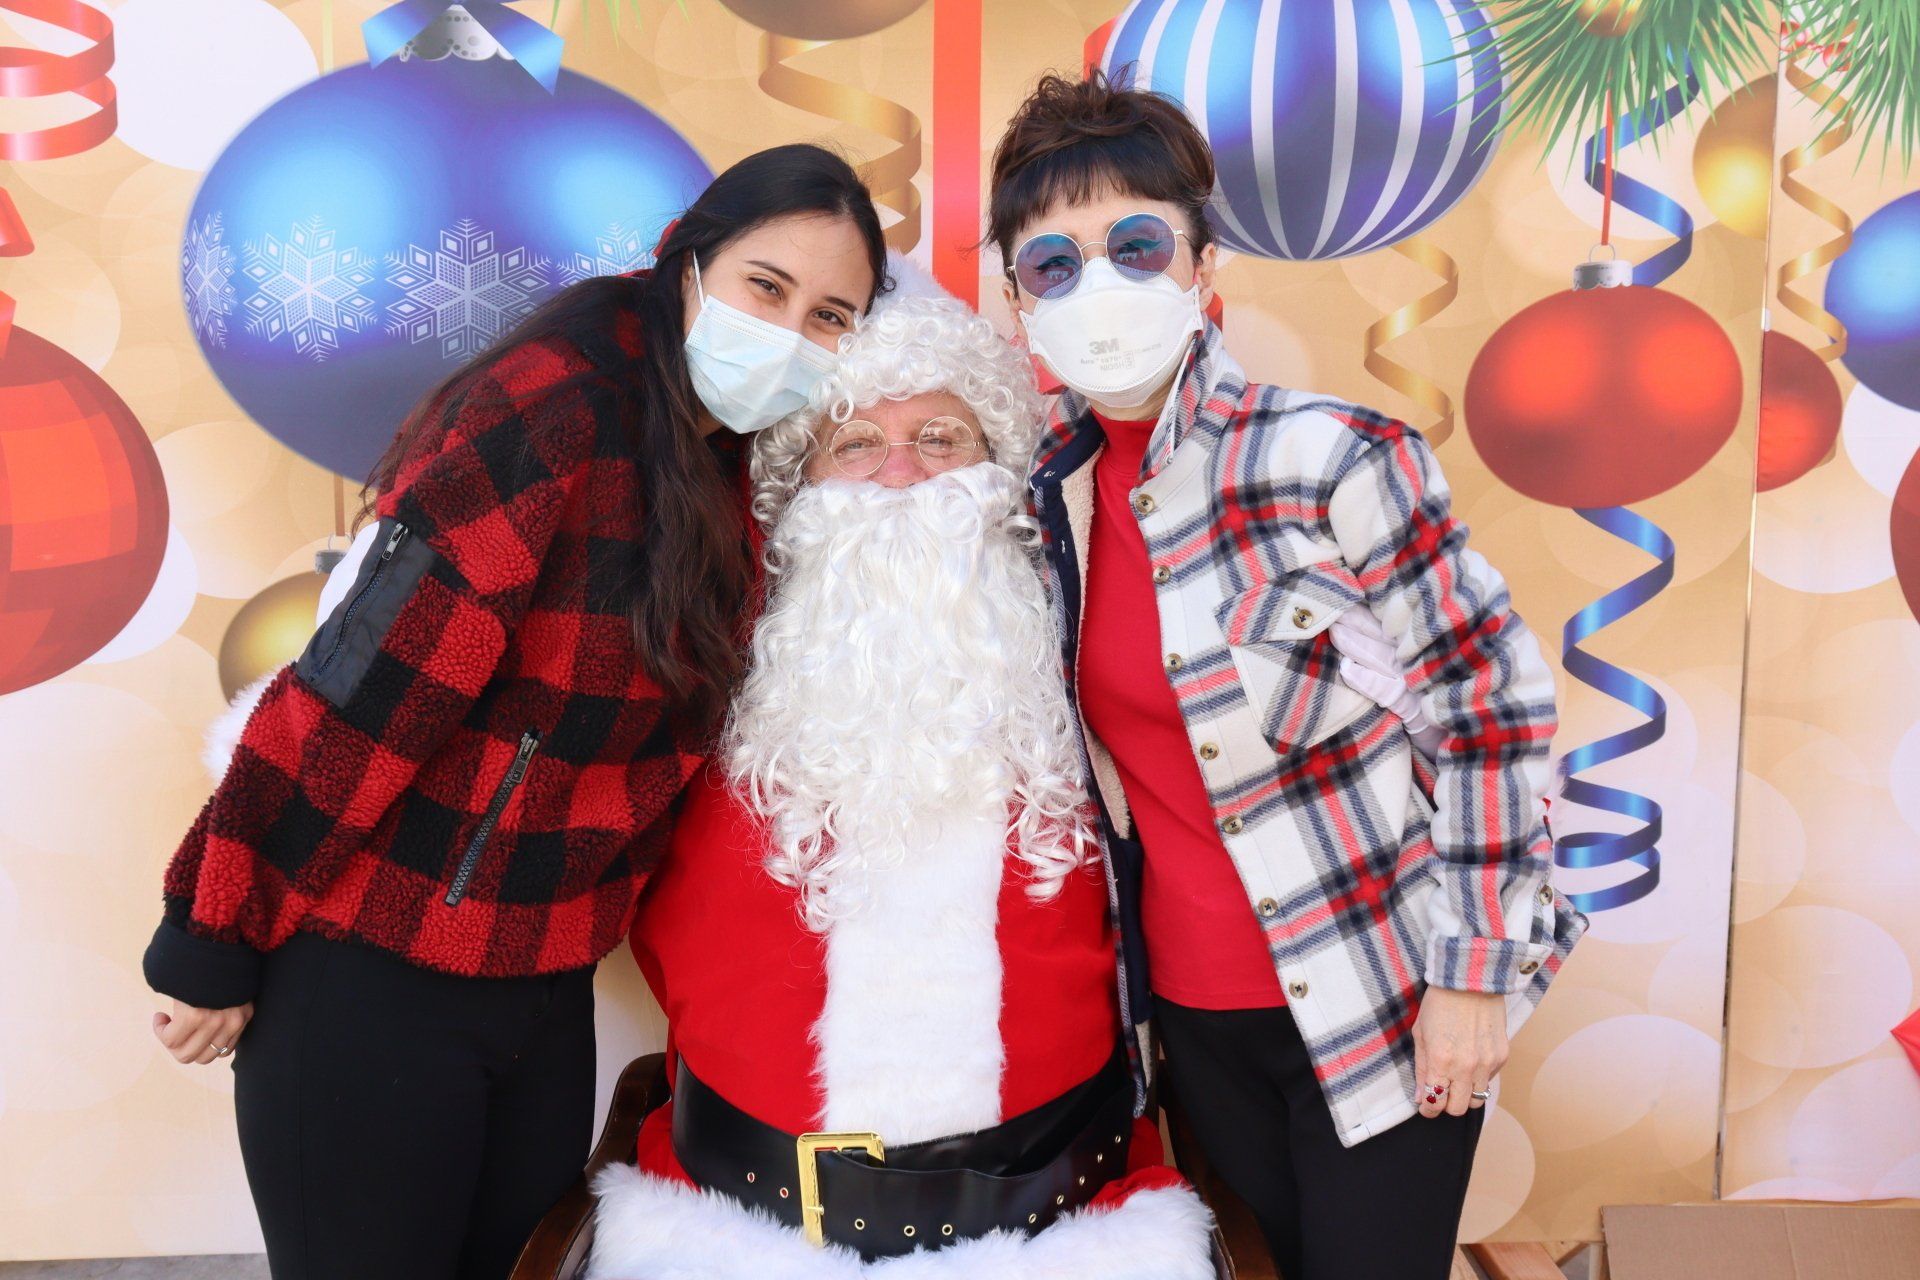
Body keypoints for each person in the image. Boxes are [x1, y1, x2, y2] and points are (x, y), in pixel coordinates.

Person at [141, 143, 889, 1280]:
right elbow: (365, 688)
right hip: (374, 966)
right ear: (687, 264)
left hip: (537, 981)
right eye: (767, 286)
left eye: (832, 315)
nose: (791, 333)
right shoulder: (552, 408)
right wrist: (213, 931)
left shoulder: (719, 457)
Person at [986, 73, 1588, 1280]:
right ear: (1017, 298)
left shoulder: (1332, 458)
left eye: (1135, 246)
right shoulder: (1041, 502)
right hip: (1191, 1029)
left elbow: (1493, 712)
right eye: (1054, 263)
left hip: (1381, 992)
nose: (1096, 287)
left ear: (1203, 267)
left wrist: (1470, 980)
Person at [585, 266, 1217, 1279]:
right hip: (726, 1227)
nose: (901, 474)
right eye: (858, 443)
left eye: (941, 439)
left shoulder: (1089, 673)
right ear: (800, 489)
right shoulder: (701, 677)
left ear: (998, 473)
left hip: (1069, 1229)